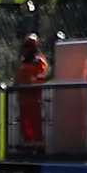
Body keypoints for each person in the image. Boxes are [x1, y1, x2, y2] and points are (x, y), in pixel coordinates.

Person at [13, 30, 52, 158]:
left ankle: (39, 149)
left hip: (33, 98)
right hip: (23, 98)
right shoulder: (24, 62)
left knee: (35, 125)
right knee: (25, 125)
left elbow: (41, 78)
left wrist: (29, 84)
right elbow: (19, 78)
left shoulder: (39, 62)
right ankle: (29, 148)